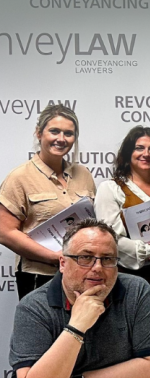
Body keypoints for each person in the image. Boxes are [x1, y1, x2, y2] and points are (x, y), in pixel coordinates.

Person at [8, 219, 150, 378]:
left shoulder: (136, 290)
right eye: (85, 257)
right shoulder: (33, 307)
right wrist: (76, 327)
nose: (98, 267)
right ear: (63, 263)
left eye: (107, 259)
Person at [93, 126, 150, 372]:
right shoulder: (110, 189)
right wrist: (148, 251)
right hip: (133, 279)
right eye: (139, 148)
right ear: (127, 153)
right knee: (137, 341)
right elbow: (109, 238)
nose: (146, 154)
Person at [0, 104, 96, 299]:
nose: (61, 139)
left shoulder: (84, 174)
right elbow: (5, 232)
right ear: (39, 133)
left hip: (81, 274)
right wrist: (55, 257)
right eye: (54, 131)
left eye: (68, 133)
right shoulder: (19, 177)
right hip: (40, 275)